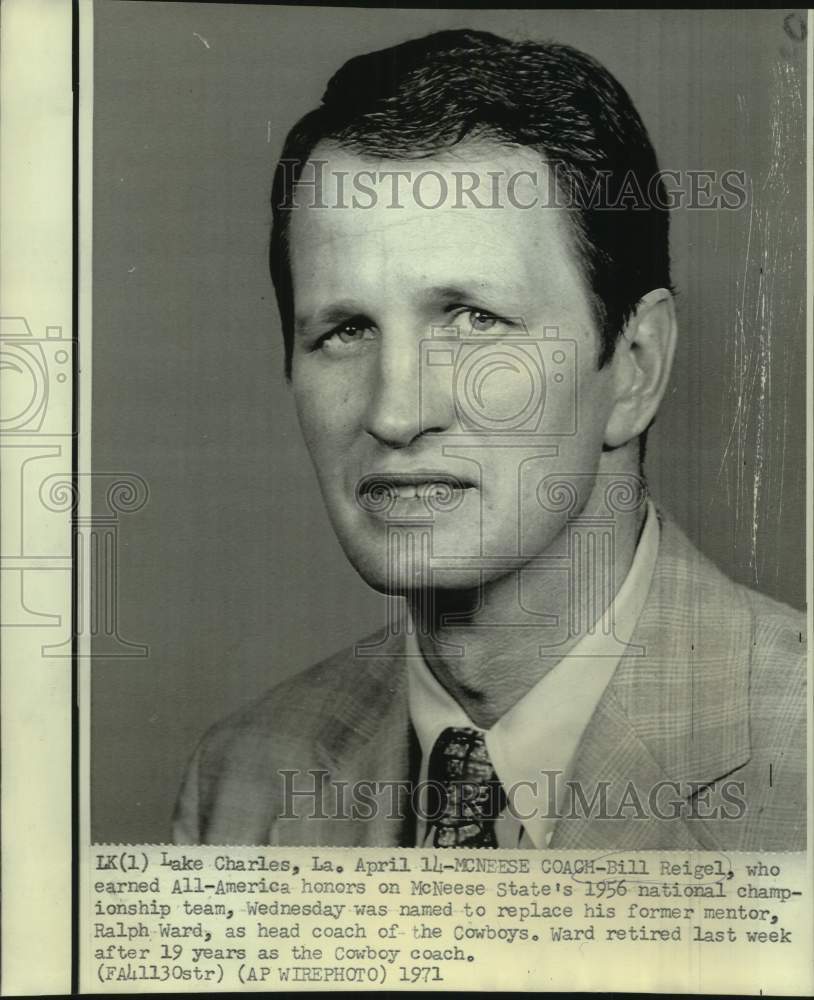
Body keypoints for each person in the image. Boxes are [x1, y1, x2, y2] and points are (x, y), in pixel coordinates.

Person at [173, 29, 805, 850]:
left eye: (475, 320)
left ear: (636, 366)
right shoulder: (242, 784)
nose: (396, 414)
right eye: (346, 330)